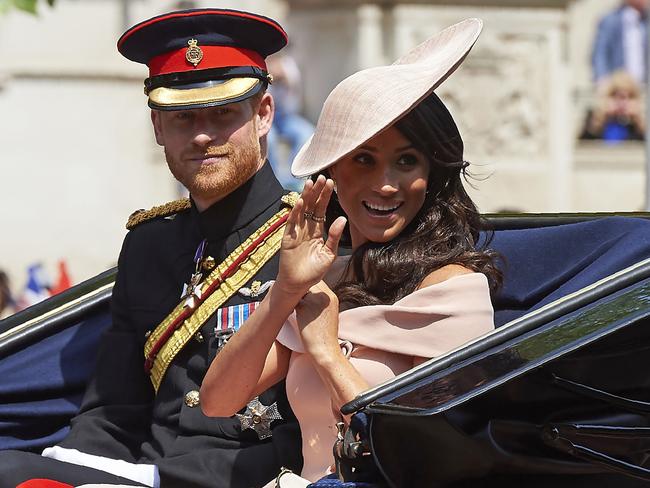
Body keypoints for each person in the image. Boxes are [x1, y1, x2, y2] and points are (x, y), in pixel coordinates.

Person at [0, 8, 302, 488]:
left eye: (223, 113)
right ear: (159, 128)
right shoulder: (149, 243)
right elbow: (111, 414)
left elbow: (312, 425)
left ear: (263, 113)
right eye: (182, 118)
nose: (202, 135)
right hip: (142, 475)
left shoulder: (312, 239)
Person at [201, 18, 501, 485]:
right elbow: (218, 400)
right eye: (364, 159)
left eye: (407, 161)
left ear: (432, 172)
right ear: (333, 173)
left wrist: (327, 352)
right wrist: (285, 289)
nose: (385, 184)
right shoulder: (329, 281)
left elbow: (419, 456)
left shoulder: (454, 290)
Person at [266, 53, 314, 192]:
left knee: (306, 132)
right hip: (268, 118)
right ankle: (274, 180)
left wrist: (282, 76)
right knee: (270, 139)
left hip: (286, 117)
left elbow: (293, 100)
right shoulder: (261, 65)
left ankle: (295, 181)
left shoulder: (289, 66)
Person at [591, 0, 648, 84]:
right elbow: (600, 53)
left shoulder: (646, 21)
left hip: (644, 85)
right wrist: (602, 79)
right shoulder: (611, 20)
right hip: (620, 86)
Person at [580, 69, 645, 141]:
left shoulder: (636, 126)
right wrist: (601, 118)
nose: (622, 103)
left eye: (628, 97)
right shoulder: (592, 118)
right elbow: (583, 143)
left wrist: (638, 121)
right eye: (616, 97)